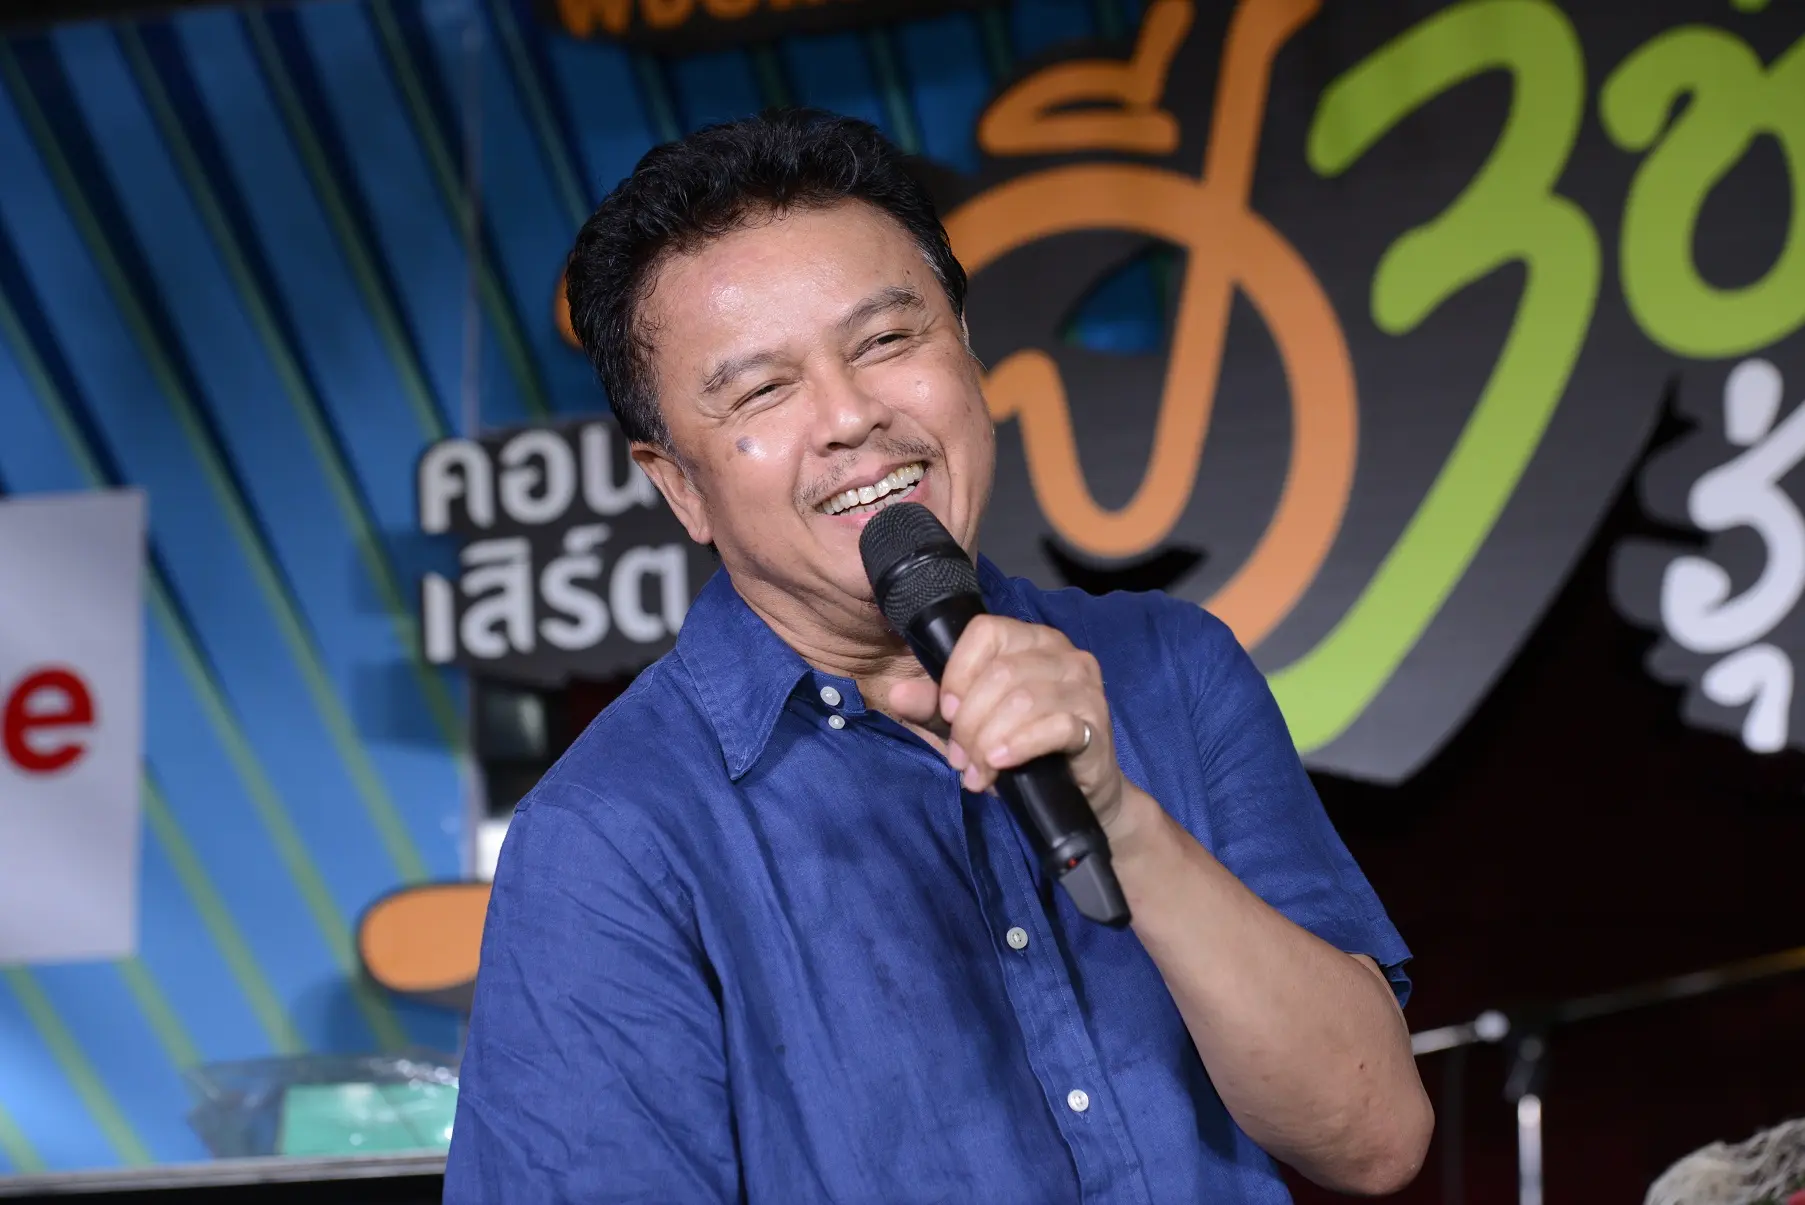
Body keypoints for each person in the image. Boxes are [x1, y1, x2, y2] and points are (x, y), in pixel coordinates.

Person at [444, 108, 1432, 1204]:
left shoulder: (1169, 665)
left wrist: (1125, 824)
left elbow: (1373, 1138)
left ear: (964, 347)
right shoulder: (609, 837)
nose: (850, 416)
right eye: (763, 389)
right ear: (679, 484)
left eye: (884, 341)